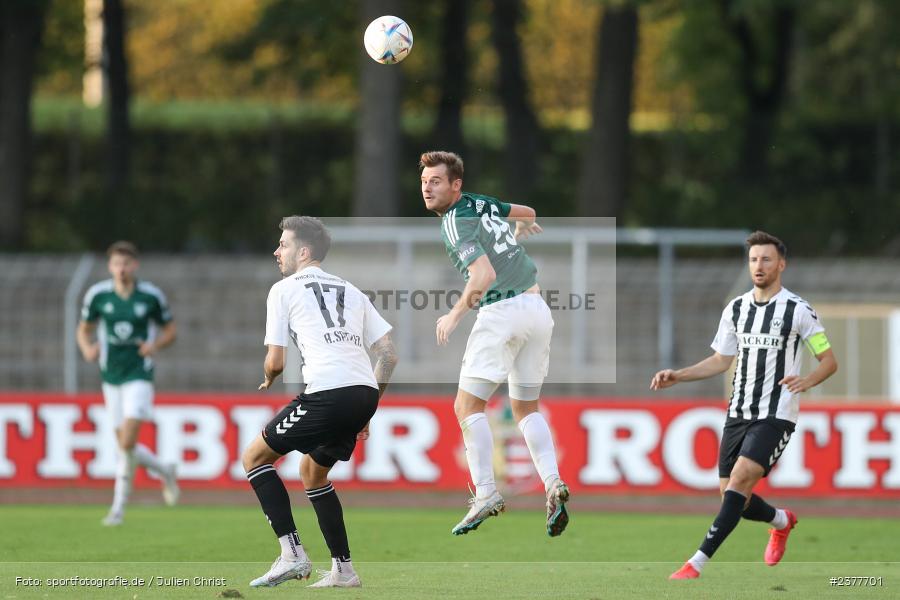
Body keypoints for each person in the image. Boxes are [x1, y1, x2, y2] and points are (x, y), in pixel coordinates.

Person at [650, 231, 838, 579]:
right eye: (753, 260)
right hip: (738, 412)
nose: (759, 266)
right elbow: (721, 360)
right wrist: (679, 374)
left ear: (781, 264)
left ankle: (696, 563)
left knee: (739, 481)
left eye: (766, 259)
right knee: (732, 497)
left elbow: (828, 360)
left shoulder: (799, 310)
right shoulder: (736, 308)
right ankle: (781, 521)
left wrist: (807, 381)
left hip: (776, 414)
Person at [242, 216, 398, 589]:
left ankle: (291, 554)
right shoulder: (351, 290)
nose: (277, 251)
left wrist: (269, 376)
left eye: (283, 244)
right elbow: (388, 354)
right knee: (313, 473)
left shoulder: (284, 289)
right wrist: (368, 408)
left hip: (328, 391)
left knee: (254, 458)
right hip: (362, 392)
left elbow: (276, 360)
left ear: (304, 251)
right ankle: (344, 570)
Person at [419, 150, 569, 537]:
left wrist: (452, 316)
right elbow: (529, 212)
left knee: (467, 406)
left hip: (502, 312)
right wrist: (519, 230)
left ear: (456, 185)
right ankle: (553, 483)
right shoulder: (482, 202)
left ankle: (485, 492)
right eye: (424, 181)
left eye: (436, 181)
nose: (427, 188)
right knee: (526, 408)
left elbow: (482, 275)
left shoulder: (455, 219)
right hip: (537, 309)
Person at [77, 241, 179, 527]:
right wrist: (87, 348)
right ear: (110, 266)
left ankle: (117, 509)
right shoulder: (98, 296)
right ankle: (165, 470)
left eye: (126, 264)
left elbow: (170, 330)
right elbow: (84, 330)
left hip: (139, 374)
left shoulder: (149, 296)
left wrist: (154, 345)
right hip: (110, 376)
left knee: (127, 440)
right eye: (116, 264)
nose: (121, 269)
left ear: (135, 266)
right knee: (124, 443)